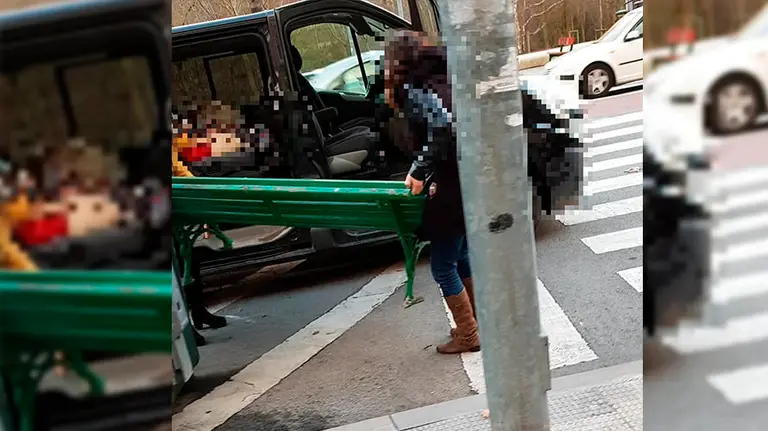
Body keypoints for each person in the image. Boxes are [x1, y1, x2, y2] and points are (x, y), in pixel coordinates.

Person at [383, 31, 479, 354]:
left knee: (442, 266)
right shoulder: (442, 78)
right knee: (460, 255)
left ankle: (468, 334)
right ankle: (477, 324)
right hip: (465, 176)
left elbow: (440, 128)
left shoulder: (414, 89)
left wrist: (419, 170)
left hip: (450, 183)